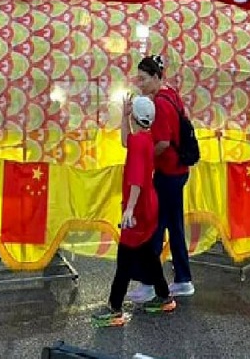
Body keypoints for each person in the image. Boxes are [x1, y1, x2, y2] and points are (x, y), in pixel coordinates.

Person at [92, 95, 175, 327]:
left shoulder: (140, 143)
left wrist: (129, 210)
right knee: (149, 255)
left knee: (125, 260)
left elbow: (137, 180)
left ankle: (115, 308)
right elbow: (125, 141)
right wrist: (126, 116)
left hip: (137, 210)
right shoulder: (144, 137)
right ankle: (165, 296)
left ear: (137, 119)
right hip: (148, 206)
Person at [127, 55, 195, 303]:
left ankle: (149, 284)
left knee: (154, 228)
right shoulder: (171, 95)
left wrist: (146, 159)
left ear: (156, 77)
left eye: (144, 79)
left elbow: (164, 142)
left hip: (167, 173)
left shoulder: (161, 105)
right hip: (177, 172)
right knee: (174, 227)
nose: (140, 84)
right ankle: (183, 279)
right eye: (138, 79)